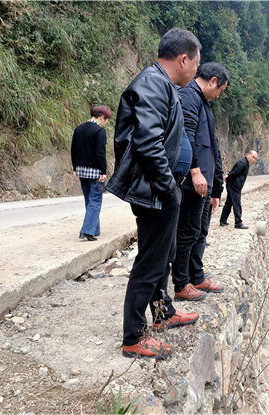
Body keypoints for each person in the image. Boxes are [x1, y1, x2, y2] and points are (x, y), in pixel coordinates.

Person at [105, 28, 201, 359]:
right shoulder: (152, 83)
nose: (196, 71)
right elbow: (148, 142)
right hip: (154, 190)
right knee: (150, 261)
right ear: (184, 59)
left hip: (160, 189)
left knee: (163, 257)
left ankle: (162, 313)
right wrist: (168, 189)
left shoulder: (162, 84)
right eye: (196, 64)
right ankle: (133, 337)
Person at [172, 63, 229, 302]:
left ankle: (196, 276)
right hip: (192, 182)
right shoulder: (189, 96)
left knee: (199, 231)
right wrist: (194, 171)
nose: (218, 96)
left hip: (204, 185)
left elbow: (213, 149)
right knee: (187, 232)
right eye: (220, 90)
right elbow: (186, 135)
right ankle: (181, 283)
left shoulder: (204, 105)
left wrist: (216, 189)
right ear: (213, 80)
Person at [71, 105, 111, 242]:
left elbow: (74, 150)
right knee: (95, 201)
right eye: (107, 119)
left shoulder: (79, 129)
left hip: (81, 171)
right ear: (102, 117)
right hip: (96, 173)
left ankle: (95, 229)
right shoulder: (99, 131)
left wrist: (75, 167)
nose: (106, 122)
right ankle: (87, 231)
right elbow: (100, 153)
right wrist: (103, 171)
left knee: (89, 200)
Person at [220, 150, 258, 229]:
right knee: (236, 204)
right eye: (252, 157)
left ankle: (223, 220)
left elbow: (234, 172)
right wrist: (227, 178)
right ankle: (238, 223)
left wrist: (228, 177)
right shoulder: (243, 163)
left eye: (255, 158)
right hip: (234, 186)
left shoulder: (245, 163)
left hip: (234, 185)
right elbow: (234, 173)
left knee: (228, 203)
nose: (253, 159)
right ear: (248, 154)